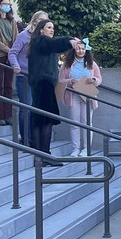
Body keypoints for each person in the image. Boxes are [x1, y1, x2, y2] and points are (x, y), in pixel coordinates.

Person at [28, 18, 75, 165]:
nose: (52, 30)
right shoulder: (41, 41)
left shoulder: (39, 43)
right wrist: (69, 41)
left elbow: (54, 46)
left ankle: (40, 156)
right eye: (49, 27)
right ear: (41, 30)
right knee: (45, 120)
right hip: (44, 84)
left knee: (40, 120)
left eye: (53, 27)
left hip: (43, 84)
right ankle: (44, 155)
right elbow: (55, 44)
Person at [8, 10, 48, 145]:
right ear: (34, 21)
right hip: (24, 76)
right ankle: (26, 138)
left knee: (36, 109)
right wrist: (16, 66)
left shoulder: (44, 37)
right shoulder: (24, 35)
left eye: (45, 21)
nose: (43, 23)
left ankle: (34, 138)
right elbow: (13, 53)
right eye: (41, 20)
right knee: (27, 107)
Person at [58, 39, 102, 157]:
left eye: (83, 48)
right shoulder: (67, 65)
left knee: (87, 122)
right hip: (73, 95)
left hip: (88, 94)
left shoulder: (92, 63)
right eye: (78, 48)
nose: (81, 51)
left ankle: (86, 149)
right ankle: (76, 148)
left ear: (86, 49)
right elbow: (61, 80)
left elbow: (99, 79)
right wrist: (70, 81)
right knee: (74, 123)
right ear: (74, 49)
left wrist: (93, 80)